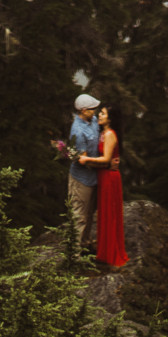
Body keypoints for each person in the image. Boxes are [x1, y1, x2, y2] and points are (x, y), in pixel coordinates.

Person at [92, 102, 127, 269]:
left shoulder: (110, 134)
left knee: (110, 212)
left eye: (103, 114)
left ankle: (112, 253)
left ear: (110, 119)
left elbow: (106, 159)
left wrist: (83, 160)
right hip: (105, 174)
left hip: (109, 176)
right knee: (105, 211)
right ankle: (105, 252)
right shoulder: (103, 133)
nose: (99, 115)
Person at [66, 91, 102, 253]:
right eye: (92, 109)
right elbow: (83, 159)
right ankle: (74, 254)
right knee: (79, 214)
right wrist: (105, 162)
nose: (95, 111)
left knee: (89, 213)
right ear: (83, 111)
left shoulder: (92, 120)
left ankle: (85, 243)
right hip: (81, 178)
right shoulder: (78, 131)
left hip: (93, 176)